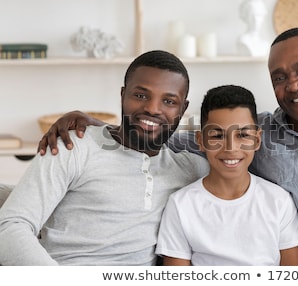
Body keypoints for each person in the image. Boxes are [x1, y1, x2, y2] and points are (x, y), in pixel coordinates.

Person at [34, 27, 298, 266]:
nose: (292, 85)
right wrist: (100, 125)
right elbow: (172, 134)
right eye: (279, 77)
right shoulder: (260, 133)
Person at [0, 50, 209, 265]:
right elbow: (10, 226)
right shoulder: (75, 146)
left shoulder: (191, 170)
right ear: (123, 95)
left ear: (183, 109)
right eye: (140, 95)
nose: (152, 109)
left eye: (169, 101)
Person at [155, 85, 298, 266]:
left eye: (242, 135)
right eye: (217, 136)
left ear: (257, 140)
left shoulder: (278, 201)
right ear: (201, 141)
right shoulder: (181, 206)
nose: (231, 148)